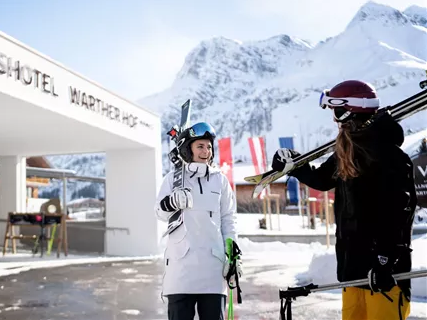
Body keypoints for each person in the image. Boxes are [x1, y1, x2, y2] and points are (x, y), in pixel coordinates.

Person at [271, 80, 417, 320]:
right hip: (354, 268)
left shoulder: (390, 156)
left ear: (354, 110)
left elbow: (400, 212)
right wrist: (294, 166)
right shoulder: (347, 152)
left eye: (338, 113)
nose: (336, 121)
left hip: (384, 275)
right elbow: (321, 179)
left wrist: (385, 259)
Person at [155, 121, 241, 320]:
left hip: (212, 269)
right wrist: (170, 202)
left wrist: (233, 253)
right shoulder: (173, 179)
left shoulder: (220, 181)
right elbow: (159, 212)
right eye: (200, 146)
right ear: (188, 149)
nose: (206, 151)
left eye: (209, 146)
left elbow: (229, 219)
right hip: (180, 270)